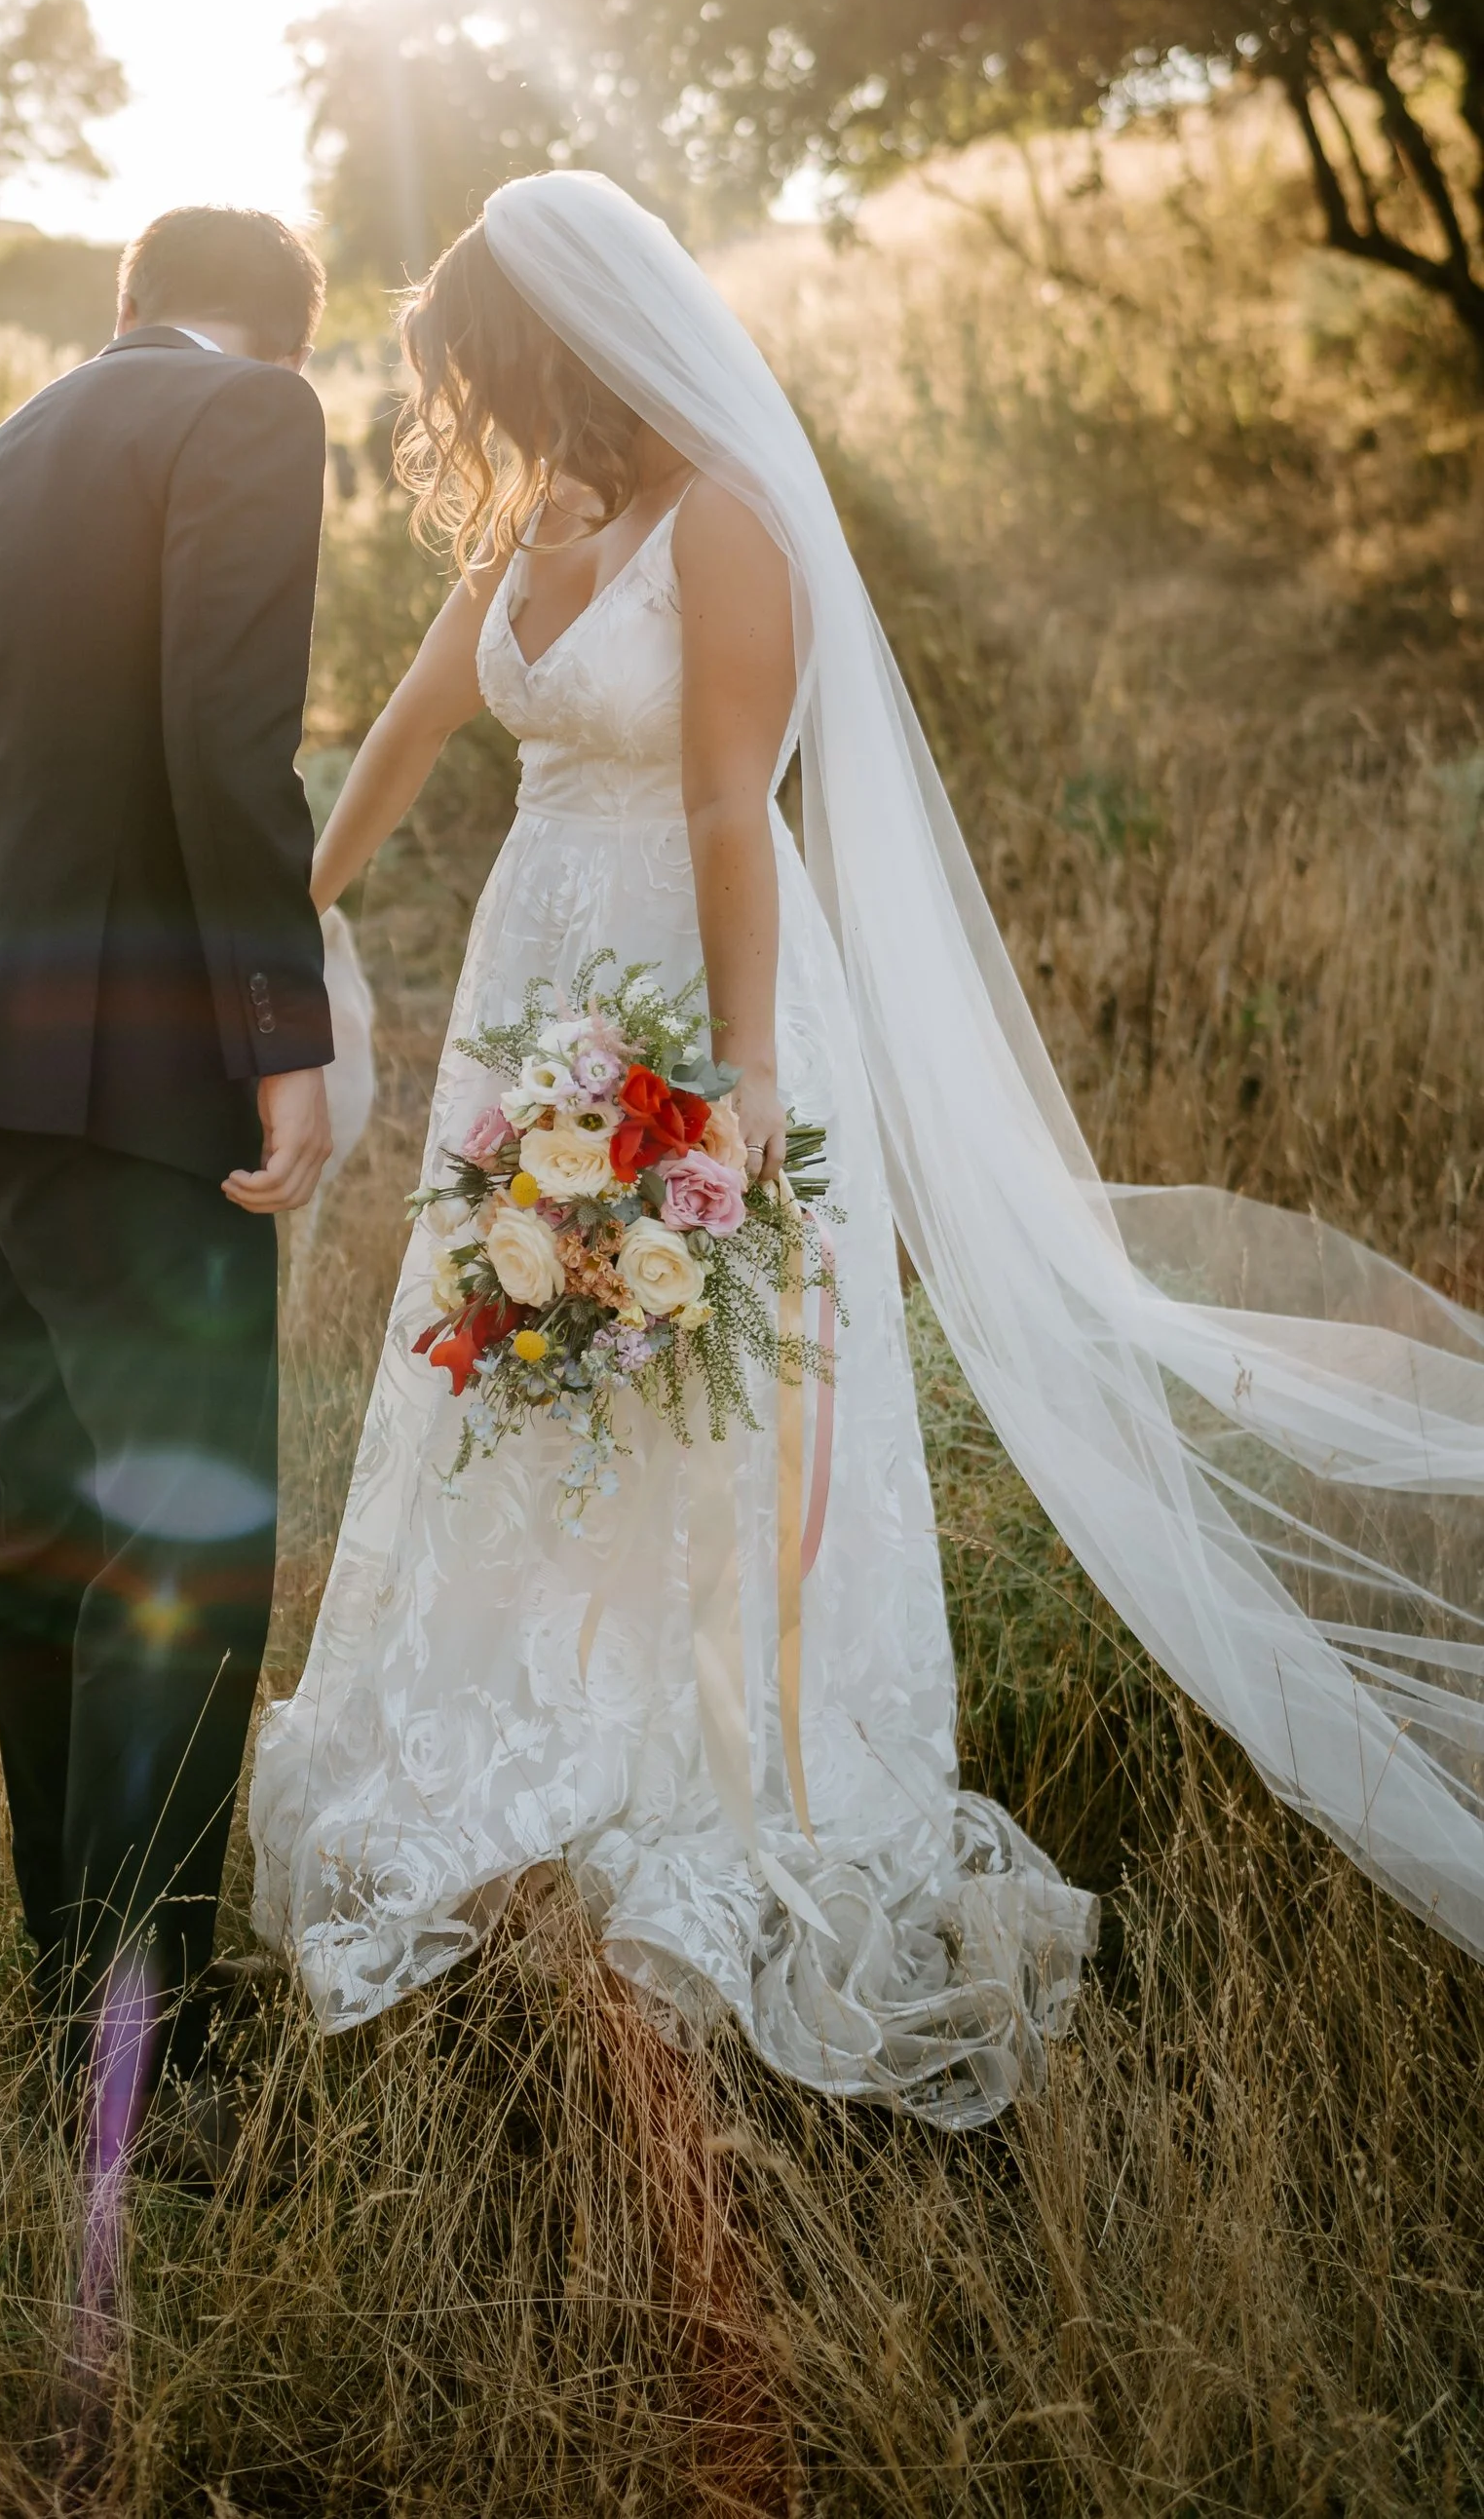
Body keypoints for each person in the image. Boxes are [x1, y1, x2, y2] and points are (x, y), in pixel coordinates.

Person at [249, 171, 1484, 2127]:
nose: (471, 412)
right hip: (531, 999)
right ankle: (531, 1736)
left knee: (703, 1400)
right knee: (537, 1383)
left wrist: (736, 1076)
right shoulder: (530, 523)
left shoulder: (728, 520)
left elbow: (726, 809)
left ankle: (714, 1772)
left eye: (484, 370)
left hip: (695, 992)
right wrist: (281, 923)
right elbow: (405, 733)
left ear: (558, 349)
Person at [0, 205, 335, 2147]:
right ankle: (152, 2054)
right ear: (286, 333)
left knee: (56, 1523)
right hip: (129, 1065)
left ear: (126, 304)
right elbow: (227, 739)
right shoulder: (254, 415)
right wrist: (283, 1033)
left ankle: (76, 1999)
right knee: (189, 1552)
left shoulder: (11, 443)